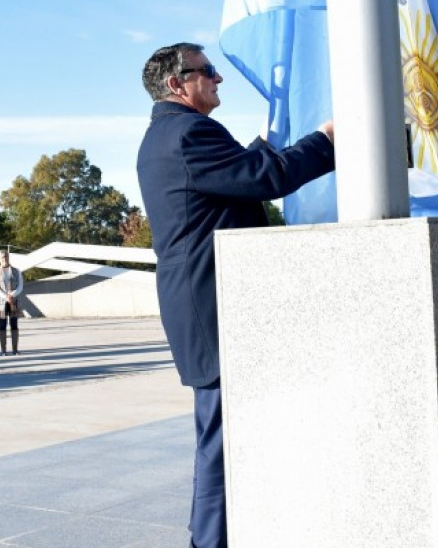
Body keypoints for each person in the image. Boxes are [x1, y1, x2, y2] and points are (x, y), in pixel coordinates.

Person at [136, 42, 336, 548]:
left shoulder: (167, 133)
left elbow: (234, 181)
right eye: (209, 72)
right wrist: (327, 139)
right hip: (213, 308)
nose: (219, 80)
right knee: (222, 443)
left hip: (211, 303)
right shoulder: (189, 132)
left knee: (228, 438)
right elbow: (266, 179)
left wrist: (264, 146)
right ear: (178, 83)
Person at [0, 249, 23, 356]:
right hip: (1, 302)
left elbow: (20, 286)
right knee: (2, 325)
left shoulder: (16, 271)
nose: (4, 259)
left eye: (6, 256)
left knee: (14, 325)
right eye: (2, 257)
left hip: (13, 301)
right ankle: (3, 350)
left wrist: (12, 295)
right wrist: (5, 296)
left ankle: (15, 349)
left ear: (8, 257)